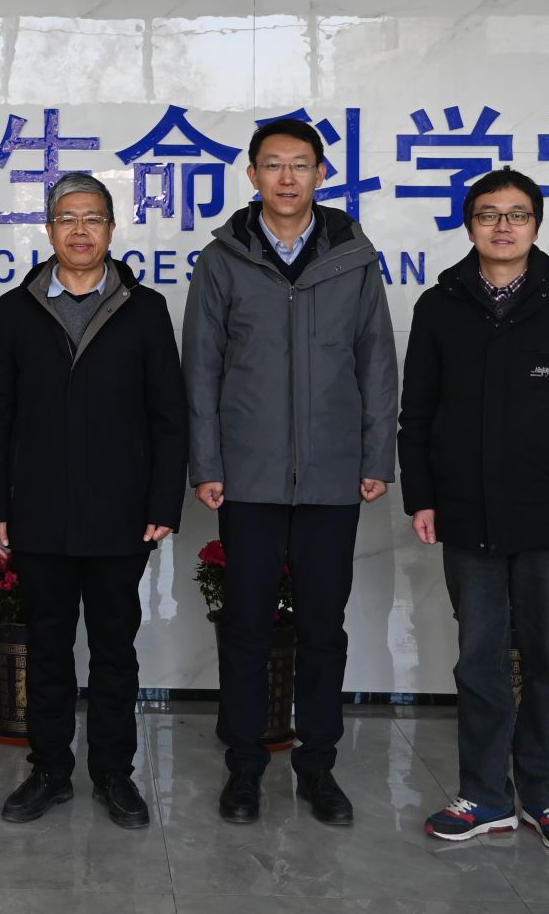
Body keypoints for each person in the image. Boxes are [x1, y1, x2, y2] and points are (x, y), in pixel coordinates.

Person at [399, 168, 549, 853]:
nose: (503, 227)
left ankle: (548, 796)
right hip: (467, 513)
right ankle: (486, 796)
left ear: (536, 223)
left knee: (548, 657)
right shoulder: (440, 304)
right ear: (469, 223)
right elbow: (418, 413)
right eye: (488, 214)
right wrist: (423, 495)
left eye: (518, 214)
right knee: (478, 659)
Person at [184, 116, 398, 826]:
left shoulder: (353, 258)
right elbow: (201, 368)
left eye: (299, 164)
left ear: (320, 174)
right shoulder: (223, 259)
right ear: (252, 176)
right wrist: (207, 463)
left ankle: (319, 767)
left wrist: (375, 456)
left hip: (333, 475)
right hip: (247, 476)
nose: (286, 177)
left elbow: (376, 360)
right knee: (246, 625)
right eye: (272, 164)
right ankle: (244, 767)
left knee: (323, 628)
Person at [0, 173, 188, 830]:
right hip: (38, 512)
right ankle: (48, 771)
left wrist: (163, 501)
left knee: (115, 650)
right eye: (67, 218)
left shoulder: (144, 308)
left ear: (111, 229)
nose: (80, 230)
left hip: (121, 512)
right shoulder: (17, 308)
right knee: (46, 648)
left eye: (92, 218)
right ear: (49, 230)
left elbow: (169, 415)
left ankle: (115, 773)